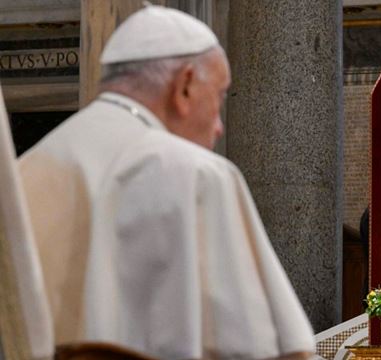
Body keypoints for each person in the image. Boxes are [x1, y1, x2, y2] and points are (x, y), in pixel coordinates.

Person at [18, 5, 314, 359]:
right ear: (185, 85)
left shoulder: (26, 170)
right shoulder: (198, 175)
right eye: (219, 97)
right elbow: (260, 348)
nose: (219, 125)